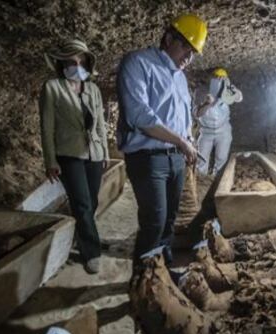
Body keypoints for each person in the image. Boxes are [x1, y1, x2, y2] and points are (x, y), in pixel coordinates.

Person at [116, 14, 208, 269]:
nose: (188, 58)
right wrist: (181, 141)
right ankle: (143, 283)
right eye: (185, 49)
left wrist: (188, 140)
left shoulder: (179, 77)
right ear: (168, 39)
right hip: (148, 159)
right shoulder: (137, 63)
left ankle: (163, 274)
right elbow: (139, 115)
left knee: (169, 220)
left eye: (193, 53)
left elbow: (182, 115)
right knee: (154, 221)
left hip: (176, 158)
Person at [40, 39, 108, 274]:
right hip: (68, 154)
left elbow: (100, 124)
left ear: (87, 63)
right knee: (81, 203)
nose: (76, 65)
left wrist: (105, 153)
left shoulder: (93, 89)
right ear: (62, 64)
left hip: (94, 153)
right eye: (71, 61)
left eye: (81, 61)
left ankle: (84, 236)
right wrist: (50, 160)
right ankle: (92, 252)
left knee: (92, 201)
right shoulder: (52, 88)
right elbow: (46, 127)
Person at [194, 68, 243, 175]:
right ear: (211, 78)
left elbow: (239, 98)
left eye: (221, 79)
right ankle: (201, 181)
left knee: (221, 158)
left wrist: (233, 90)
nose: (218, 80)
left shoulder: (228, 91)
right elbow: (197, 114)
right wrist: (208, 104)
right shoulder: (201, 92)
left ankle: (218, 180)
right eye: (216, 78)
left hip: (223, 130)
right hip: (206, 132)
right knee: (201, 159)